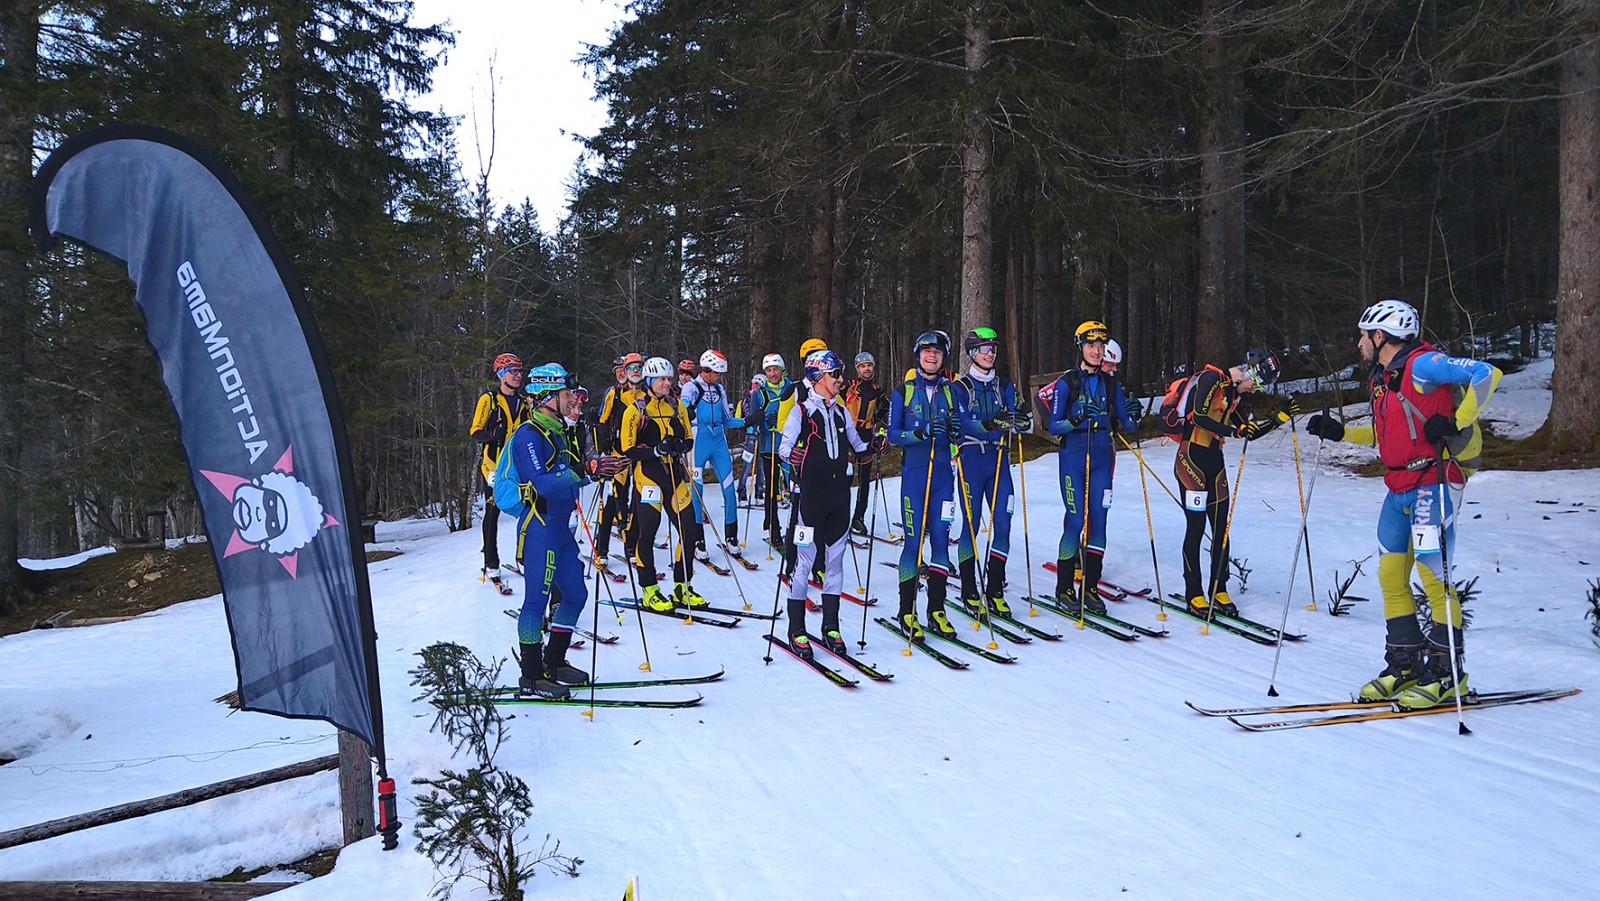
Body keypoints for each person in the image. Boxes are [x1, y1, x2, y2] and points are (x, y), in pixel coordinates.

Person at [1305, 299, 1500, 709]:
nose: (1358, 342)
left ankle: (1448, 675)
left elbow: (1487, 373)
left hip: (1434, 481)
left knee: (1434, 578)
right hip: (1397, 487)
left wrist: (1456, 421)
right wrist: (1339, 434)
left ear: (1381, 336)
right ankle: (1405, 664)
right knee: (1391, 576)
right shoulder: (1382, 378)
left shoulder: (1424, 365)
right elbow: (1381, 438)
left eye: (1363, 334)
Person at [1170, 345, 1286, 618]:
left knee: (1221, 528)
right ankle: (1194, 592)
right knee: (1196, 528)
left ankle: (1219, 588)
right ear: (1249, 371)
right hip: (1191, 462)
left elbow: (1246, 432)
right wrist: (1234, 431)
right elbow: (1198, 416)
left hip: (1215, 463)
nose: (1254, 390)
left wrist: (1280, 419)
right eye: (1256, 383)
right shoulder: (1212, 380)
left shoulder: (1232, 394)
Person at [778, 350, 874, 657]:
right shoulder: (802, 411)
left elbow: (859, 447)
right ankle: (797, 629)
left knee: (835, 562)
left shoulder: (842, 411)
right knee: (804, 563)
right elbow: (783, 447)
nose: (840, 380)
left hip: (838, 497)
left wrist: (876, 445)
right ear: (818, 377)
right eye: (835, 374)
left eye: (840, 374)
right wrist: (793, 456)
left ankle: (831, 627)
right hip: (811, 497)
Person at [503, 363, 590, 699]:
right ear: (547, 397)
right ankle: (531, 676)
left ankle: (554, 661)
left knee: (576, 595)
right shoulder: (529, 434)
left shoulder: (560, 431)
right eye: (566, 394)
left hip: (561, 526)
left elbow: (570, 474)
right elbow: (540, 483)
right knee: (536, 602)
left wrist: (597, 470)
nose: (573, 400)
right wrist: (581, 470)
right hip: (539, 525)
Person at [1046, 322, 1141, 615]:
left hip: (1101, 456)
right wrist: (1076, 420)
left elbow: (1128, 423)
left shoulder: (1111, 384)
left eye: (1101, 346)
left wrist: (1133, 415)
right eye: (1091, 346)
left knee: (1099, 521)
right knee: (1076, 520)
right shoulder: (1067, 382)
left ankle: (1089, 587)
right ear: (1080, 348)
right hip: (1074, 456)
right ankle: (1064, 589)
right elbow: (1053, 425)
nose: (1097, 351)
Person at [886, 330, 965, 640]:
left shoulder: (951, 392)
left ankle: (937, 610)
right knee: (913, 542)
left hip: (944, 477)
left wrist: (957, 430)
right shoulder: (903, 391)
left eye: (937, 352)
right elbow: (892, 435)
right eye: (926, 351)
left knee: (942, 543)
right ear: (918, 355)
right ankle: (907, 611)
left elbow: (959, 427)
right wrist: (917, 435)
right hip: (916, 477)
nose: (932, 356)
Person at [952, 327, 1032, 615]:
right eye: (985, 349)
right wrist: (991, 424)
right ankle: (969, 589)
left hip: (999, 461)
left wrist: (1021, 420)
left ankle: (995, 587)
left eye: (993, 348)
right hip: (971, 461)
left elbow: (1016, 416)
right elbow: (963, 424)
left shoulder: (1005, 386)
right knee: (971, 526)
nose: (991, 353)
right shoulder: (959, 388)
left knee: (1004, 523)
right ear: (973, 353)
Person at [622, 356, 707, 611]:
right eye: (661, 379)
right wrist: (656, 450)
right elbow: (627, 449)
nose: (667, 383)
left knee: (689, 532)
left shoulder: (677, 405)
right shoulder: (636, 409)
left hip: (676, 476)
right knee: (647, 532)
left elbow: (689, 438)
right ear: (649, 381)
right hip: (648, 477)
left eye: (668, 378)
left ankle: (682, 586)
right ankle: (649, 589)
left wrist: (681, 445)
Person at [469, 352, 528, 593]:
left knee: (525, 510)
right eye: (513, 371)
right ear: (502, 374)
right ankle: (491, 563)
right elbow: (474, 430)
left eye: (519, 371)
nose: (518, 376)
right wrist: (492, 437)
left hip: (517, 466)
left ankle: (524, 555)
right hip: (493, 466)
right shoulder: (489, 399)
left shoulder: (524, 402)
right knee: (493, 512)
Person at [681, 349, 744, 560]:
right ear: (707, 370)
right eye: (718, 373)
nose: (720, 377)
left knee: (729, 490)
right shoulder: (691, 387)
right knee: (697, 493)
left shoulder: (719, 389)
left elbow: (727, 418)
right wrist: (686, 410)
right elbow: (682, 410)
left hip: (718, 441)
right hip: (699, 441)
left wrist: (749, 421)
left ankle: (731, 537)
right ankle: (698, 540)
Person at [593, 352, 645, 566]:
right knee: (614, 501)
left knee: (638, 501)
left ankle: (631, 546)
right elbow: (602, 420)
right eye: (630, 368)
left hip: (641, 454)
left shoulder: (646, 394)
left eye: (638, 368)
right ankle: (601, 548)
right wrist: (603, 446)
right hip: (619, 454)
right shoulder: (614, 394)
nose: (633, 372)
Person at [743, 353, 795, 552]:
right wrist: (764, 421)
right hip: (769, 445)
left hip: (791, 445)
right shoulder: (760, 393)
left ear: (782, 369)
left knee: (795, 487)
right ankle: (774, 528)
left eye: (775, 369)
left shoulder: (792, 387)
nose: (773, 373)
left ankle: (796, 528)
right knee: (772, 489)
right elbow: (754, 419)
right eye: (769, 370)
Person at [844, 351, 888, 536]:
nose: (866, 369)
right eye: (862, 366)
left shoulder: (877, 389)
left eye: (869, 365)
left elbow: (887, 407)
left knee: (864, 481)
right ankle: (839, 516)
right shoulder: (848, 386)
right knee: (844, 479)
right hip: (846, 436)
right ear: (857, 369)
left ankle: (858, 518)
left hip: (865, 436)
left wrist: (878, 422)